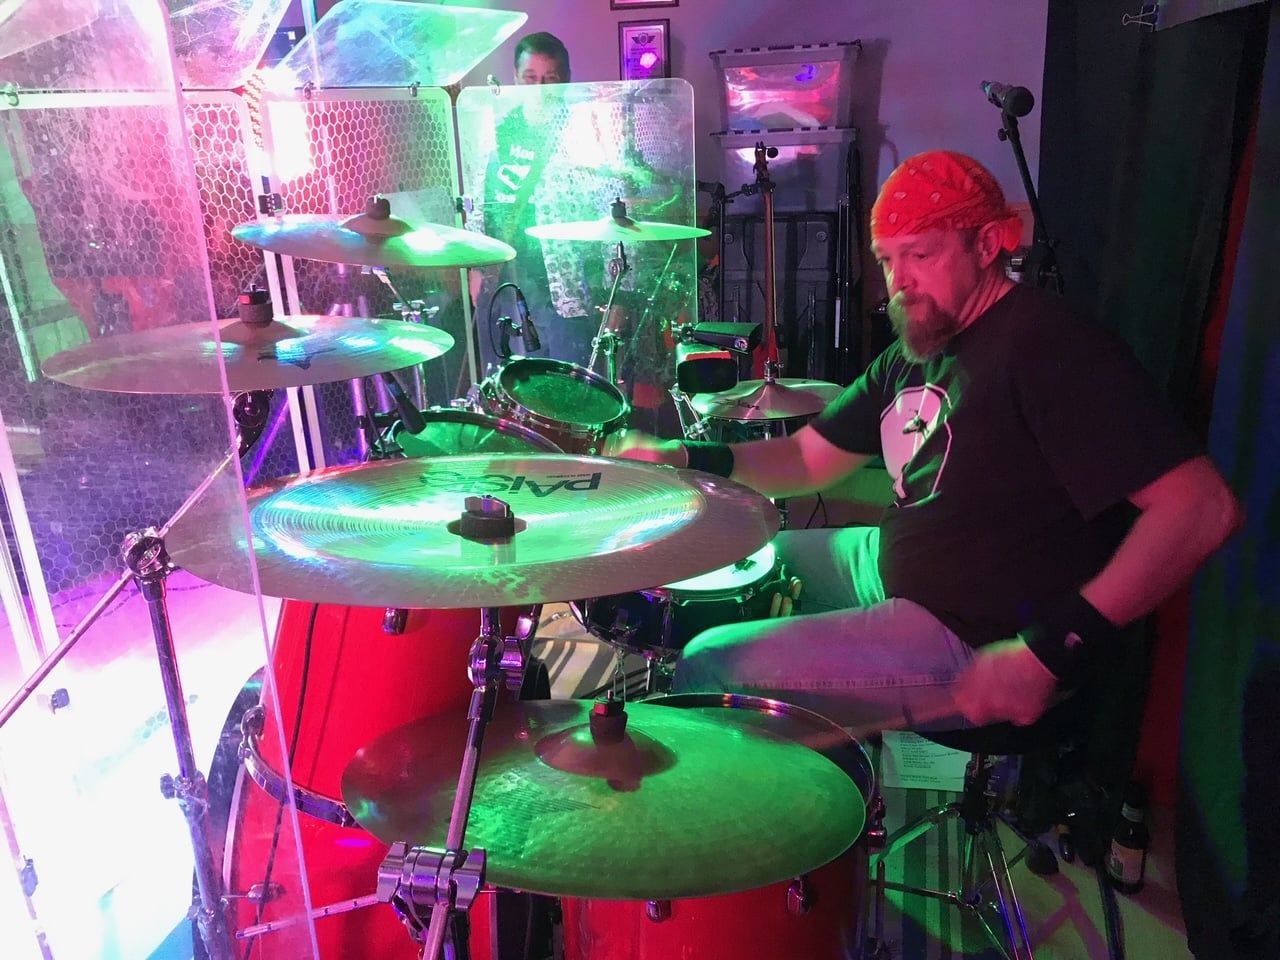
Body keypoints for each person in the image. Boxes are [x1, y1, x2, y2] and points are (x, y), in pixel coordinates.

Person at [606, 150, 1243, 733]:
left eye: (921, 255)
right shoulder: (919, 347)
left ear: (987, 245)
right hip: (889, 565)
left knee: (711, 663)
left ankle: (766, 812)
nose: (899, 281)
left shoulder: (1048, 346)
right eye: (888, 259)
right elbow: (806, 458)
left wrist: (1049, 652)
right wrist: (684, 459)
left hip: (976, 636)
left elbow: (1201, 508)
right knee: (730, 562)